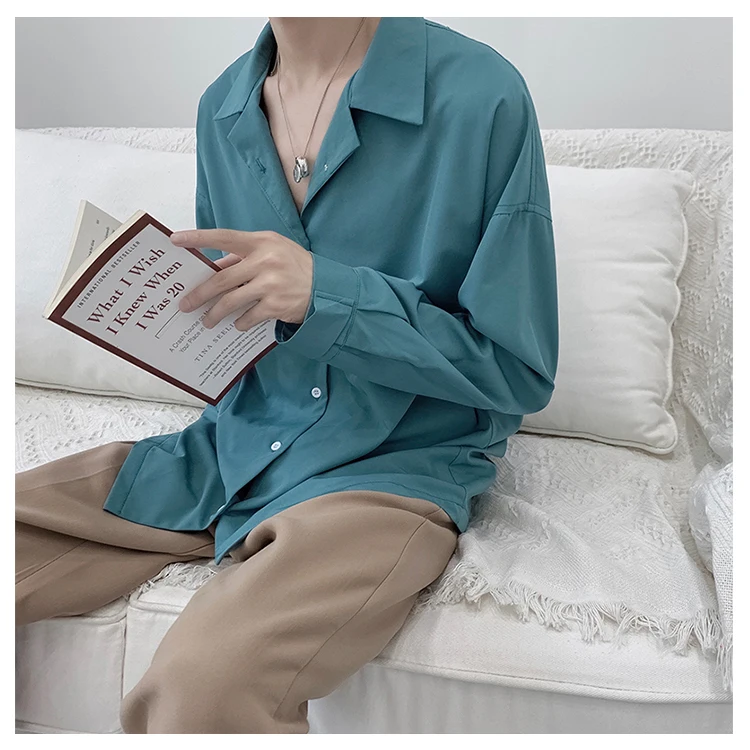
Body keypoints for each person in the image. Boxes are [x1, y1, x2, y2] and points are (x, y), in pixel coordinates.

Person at [16, 17, 558, 733]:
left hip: (391, 472)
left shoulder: (479, 94)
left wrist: (324, 295)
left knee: (201, 686)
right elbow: (244, 322)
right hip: (231, 451)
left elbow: (517, 372)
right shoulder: (223, 106)